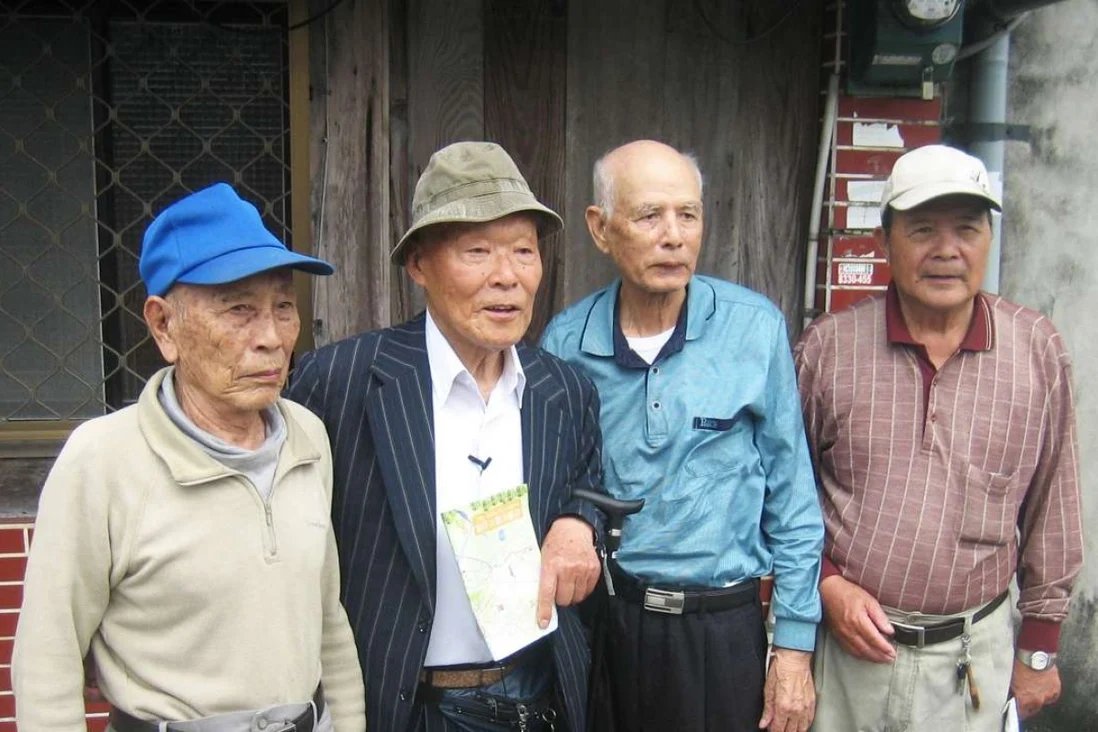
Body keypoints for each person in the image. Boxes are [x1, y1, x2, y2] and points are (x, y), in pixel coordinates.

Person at [12, 183, 367, 731]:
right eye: (240, 311)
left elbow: (328, 621)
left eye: (284, 307)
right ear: (163, 326)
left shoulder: (308, 438)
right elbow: (47, 660)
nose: (272, 338)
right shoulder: (104, 459)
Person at [286, 141, 605, 732]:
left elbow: (589, 480)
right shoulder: (344, 380)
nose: (506, 276)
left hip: (539, 696)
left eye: (523, 251)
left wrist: (579, 520)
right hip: (407, 703)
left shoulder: (564, 391)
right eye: (477, 252)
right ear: (419, 266)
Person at [794, 144, 1083, 731]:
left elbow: (1055, 504)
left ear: (989, 238)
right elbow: (779, 493)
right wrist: (825, 584)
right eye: (923, 228)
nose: (947, 250)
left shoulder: (1034, 349)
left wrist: (1041, 645)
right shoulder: (830, 349)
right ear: (885, 240)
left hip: (973, 659)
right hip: (848, 659)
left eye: (967, 229)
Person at [541, 139, 824, 732]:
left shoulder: (752, 330)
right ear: (601, 228)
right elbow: (549, 487)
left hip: (722, 630)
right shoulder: (567, 343)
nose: (674, 235)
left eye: (688, 214)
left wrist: (794, 651)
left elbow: (794, 501)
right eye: (650, 215)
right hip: (608, 625)